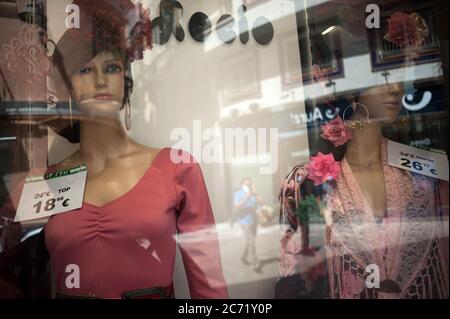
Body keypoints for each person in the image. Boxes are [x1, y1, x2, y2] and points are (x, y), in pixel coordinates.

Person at [0, 0, 228, 299]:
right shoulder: (45, 183)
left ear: (125, 79)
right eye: (84, 69)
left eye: (111, 67)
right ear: (67, 85)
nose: (100, 80)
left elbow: (209, 288)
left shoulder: (177, 170)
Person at [279, 81, 449, 298]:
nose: (397, 88)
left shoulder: (427, 173)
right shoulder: (303, 183)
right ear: (351, 90)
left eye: (400, 76)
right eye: (382, 77)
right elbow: (294, 277)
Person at [233, 178, 263, 272]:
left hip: (253, 221)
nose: (248, 186)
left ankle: (243, 257)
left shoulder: (253, 194)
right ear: (242, 185)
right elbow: (236, 206)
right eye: (246, 184)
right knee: (251, 241)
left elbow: (262, 202)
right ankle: (255, 264)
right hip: (243, 221)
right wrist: (246, 196)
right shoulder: (238, 193)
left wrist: (255, 192)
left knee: (250, 241)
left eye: (249, 184)